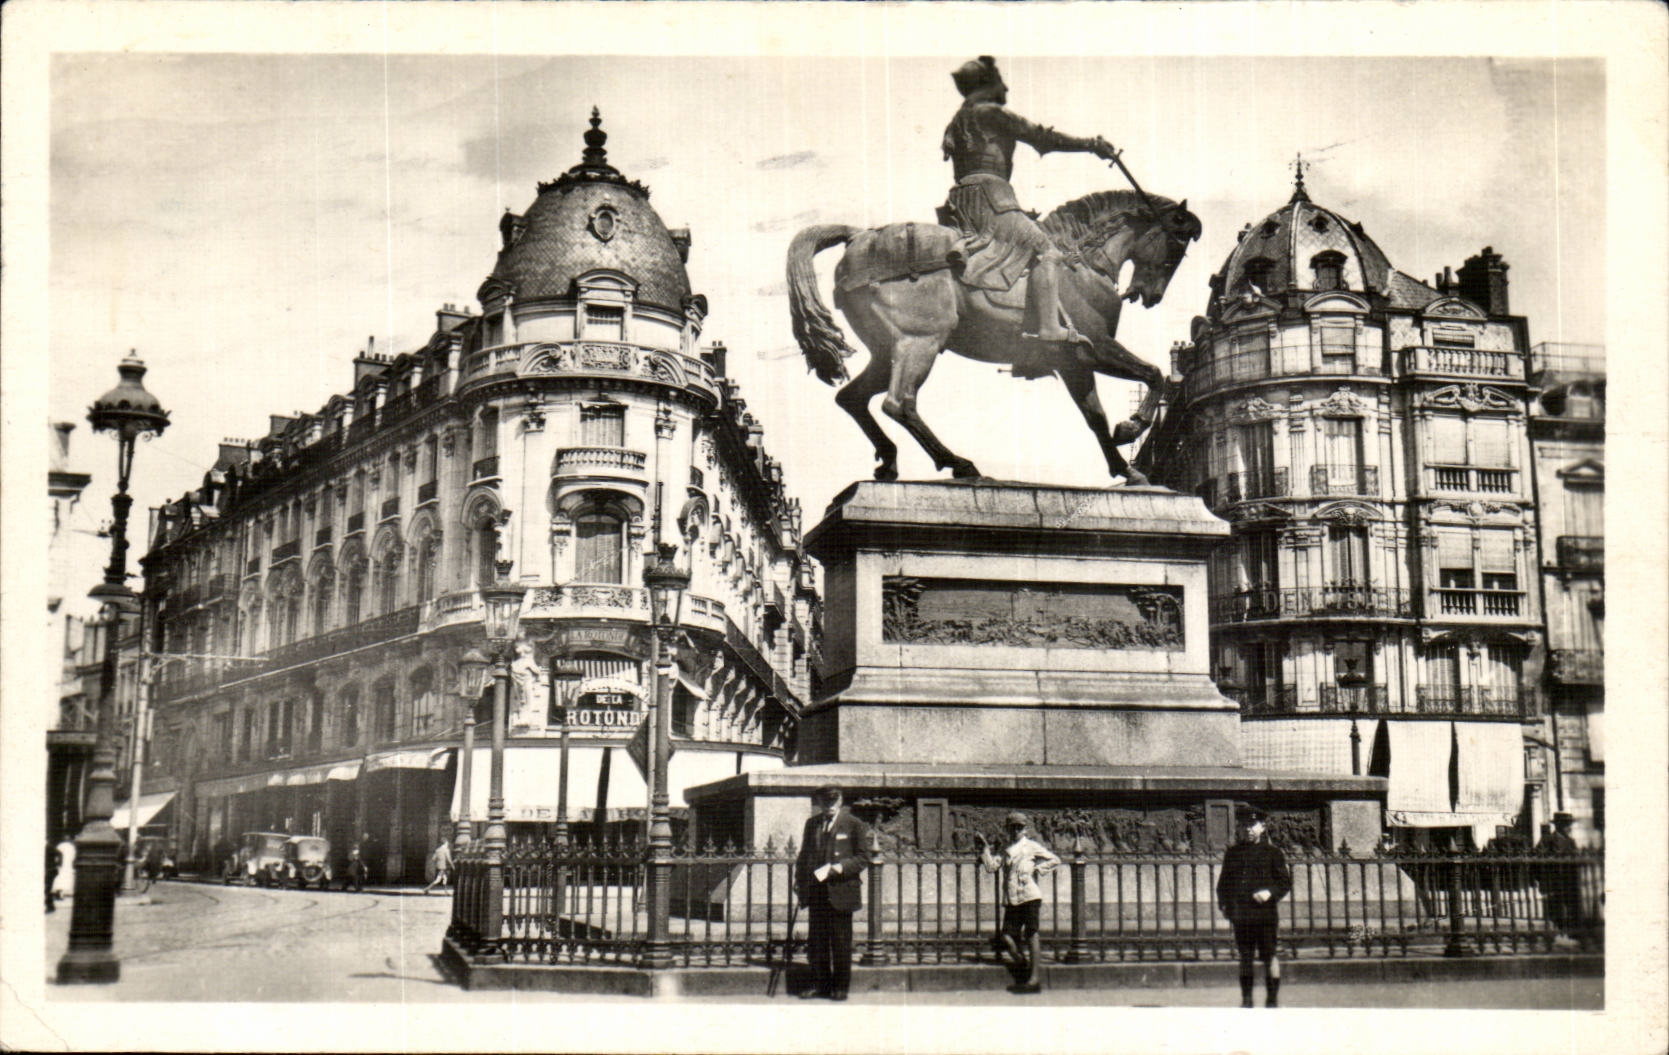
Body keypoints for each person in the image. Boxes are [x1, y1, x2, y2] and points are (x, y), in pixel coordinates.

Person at [940, 55, 1122, 351]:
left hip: (963, 199)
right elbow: (1042, 137)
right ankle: (1050, 327)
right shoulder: (990, 112)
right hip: (992, 197)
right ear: (986, 86)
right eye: (1000, 83)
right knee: (1046, 249)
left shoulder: (959, 119)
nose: (1006, 89)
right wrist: (1091, 145)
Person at [794, 786, 871, 1001]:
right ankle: (819, 984)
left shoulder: (854, 824)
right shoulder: (812, 824)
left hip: (840, 891)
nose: (828, 806)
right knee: (817, 942)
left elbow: (863, 857)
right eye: (824, 802)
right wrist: (799, 881)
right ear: (818, 802)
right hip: (816, 890)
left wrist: (839, 867)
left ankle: (840, 987)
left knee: (840, 942)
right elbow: (804, 855)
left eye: (832, 802)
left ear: (840, 802)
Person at [976, 812, 1061, 993]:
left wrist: (1038, 869)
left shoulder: (1031, 846)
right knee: (1007, 936)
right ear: (1008, 829)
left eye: (1019, 827)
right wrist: (984, 850)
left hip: (1029, 895)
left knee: (1031, 933)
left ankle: (1034, 978)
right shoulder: (1005, 848)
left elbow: (1055, 859)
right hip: (1012, 898)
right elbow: (992, 867)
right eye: (1012, 827)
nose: (1015, 830)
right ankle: (1023, 963)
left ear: (1025, 829)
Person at [1216, 807, 1292, 1008]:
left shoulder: (1273, 853)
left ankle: (1272, 998)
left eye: (1252, 825)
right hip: (1242, 915)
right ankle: (1247, 998)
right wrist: (1224, 905)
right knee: (1245, 957)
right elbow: (1223, 884)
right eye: (1243, 826)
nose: (1248, 830)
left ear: (1262, 827)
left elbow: (1284, 882)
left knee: (1269, 955)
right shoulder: (1232, 854)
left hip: (1265, 914)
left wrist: (1270, 893)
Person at [1538, 811, 1583, 945]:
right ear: (1558, 825)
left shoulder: (1571, 841)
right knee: (1556, 909)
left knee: (1570, 908)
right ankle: (1557, 934)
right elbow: (1537, 860)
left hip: (1569, 881)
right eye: (1565, 824)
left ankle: (1569, 934)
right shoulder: (1547, 840)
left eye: (1569, 824)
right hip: (1554, 881)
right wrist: (1542, 880)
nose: (1569, 827)